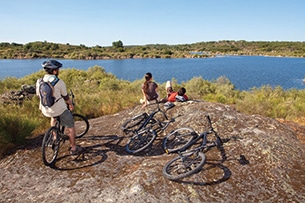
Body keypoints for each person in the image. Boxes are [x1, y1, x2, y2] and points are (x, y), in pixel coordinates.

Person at [36, 59, 83, 155]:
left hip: (45, 109)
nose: (59, 71)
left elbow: (39, 95)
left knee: (53, 118)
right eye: (58, 69)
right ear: (54, 71)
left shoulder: (39, 81)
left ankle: (54, 136)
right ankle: (74, 148)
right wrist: (70, 104)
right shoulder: (59, 82)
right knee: (71, 126)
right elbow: (65, 97)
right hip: (58, 109)